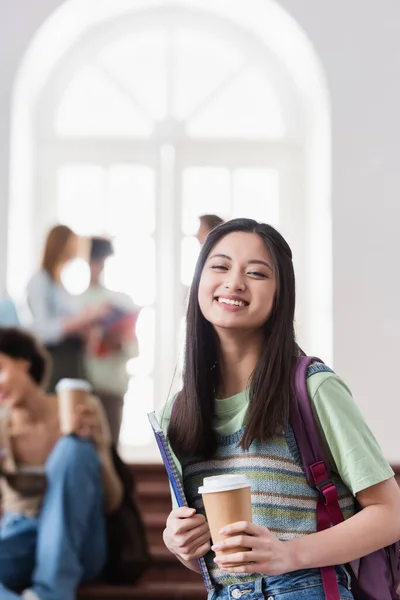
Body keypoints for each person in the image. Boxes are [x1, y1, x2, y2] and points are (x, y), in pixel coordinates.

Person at [160, 218, 400, 599]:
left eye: (256, 273)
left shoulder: (312, 388)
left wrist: (288, 554)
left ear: (280, 294)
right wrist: (182, 544)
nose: (234, 282)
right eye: (219, 266)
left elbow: (391, 513)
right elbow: (218, 558)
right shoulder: (178, 413)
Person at [0, 327, 123, 600]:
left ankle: (51, 591)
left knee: (73, 447)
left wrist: (99, 448)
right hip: (22, 536)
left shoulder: (80, 407)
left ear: (23, 363)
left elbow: (112, 501)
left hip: (79, 542)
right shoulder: (1, 430)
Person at [26, 225, 109, 392]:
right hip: (56, 362)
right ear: (60, 245)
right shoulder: (40, 281)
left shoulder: (60, 285)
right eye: (72, 245)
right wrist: (82, 319)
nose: (76, 251)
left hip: (73, 360)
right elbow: (42, 330)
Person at [78, 237, 140, 444]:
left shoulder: (120, 301)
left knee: (110, 448)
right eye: (94, 261)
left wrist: (121, 341)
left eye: (101, 261)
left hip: (112, 386)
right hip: (84, 384)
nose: (98, 267)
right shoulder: (75, 302)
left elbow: (134, 349)